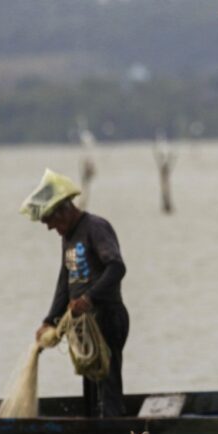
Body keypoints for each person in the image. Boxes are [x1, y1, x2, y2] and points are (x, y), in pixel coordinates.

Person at [20, 168, 130, 417]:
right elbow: (65, 281)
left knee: (108, 377)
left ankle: (113, 433)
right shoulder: (68, 236)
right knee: (90, 381)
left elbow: (116, 267)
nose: (51, 228)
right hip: (82, 322)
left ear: (64, 210)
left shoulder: (95, 228)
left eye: (51, 221)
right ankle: (93, 430)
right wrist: (49, 320)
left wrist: (89, 298)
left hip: (107, 316)